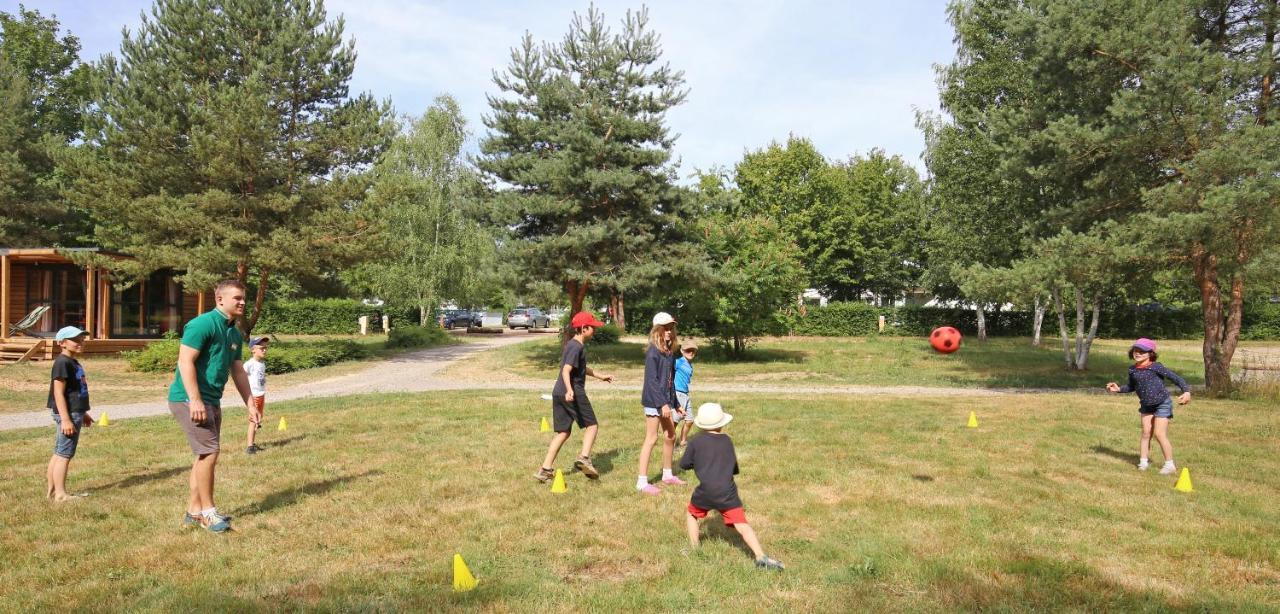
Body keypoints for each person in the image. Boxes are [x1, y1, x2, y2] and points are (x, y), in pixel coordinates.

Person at [169, 280, 256, 533]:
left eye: (243, 298)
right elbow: (185, 361)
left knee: (204, 456)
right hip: (188, 399)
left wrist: (250, 403)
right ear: (220, 300)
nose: (242, 302)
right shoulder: (202, 324)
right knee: (210, 453)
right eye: (237, 298)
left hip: (211, 399)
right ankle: (208, 512)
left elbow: (237, 369)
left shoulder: (234, 331)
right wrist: (194, 399)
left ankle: (194, 512)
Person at [680, 402, 784, 570]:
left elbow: (684, 464)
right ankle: (760, 556)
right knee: (742, 525)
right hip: (727, 492)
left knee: (692, 513)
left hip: (705, 491)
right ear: (721, 423)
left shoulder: (695, 442)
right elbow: (733, 467)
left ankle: (694, 548)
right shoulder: (727, 441)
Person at [535, 311, 614, 483]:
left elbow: (581, 369)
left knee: (563, 432)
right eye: (592, 327)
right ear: (584, 329)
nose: (594, 329)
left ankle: (545, 469)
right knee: (592, 426)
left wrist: (601, 376)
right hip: (572, 392)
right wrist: (570, 390)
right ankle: (584, 458)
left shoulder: (573, 345)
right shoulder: (576, 346)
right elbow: (566, 370)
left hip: (559, 392)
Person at [1105, 338, 1191, 474]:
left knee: (1159, 434)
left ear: (1150, 353)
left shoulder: (1156, 366)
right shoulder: (1133, 369)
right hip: (1146, 405)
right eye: (1135, 350)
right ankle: (1143, 463)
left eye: (1142, 351)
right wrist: (1119, 389)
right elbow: (1132, 387)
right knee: (1146, 433)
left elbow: (1176, 378)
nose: (1137, 353)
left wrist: (1186, 391)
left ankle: (1170, 465)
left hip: (1162, 403)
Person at [636, 311, 685, 495]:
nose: (669, 331)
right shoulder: (653, 353)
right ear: (658, 330)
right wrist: (662, 404)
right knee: (652, 438)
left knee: (671, 436)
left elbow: (669, 380)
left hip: (665, 401)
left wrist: (675, 403)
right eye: (666, 328)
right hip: (653, 400)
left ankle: (667, 475)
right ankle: (641, 482)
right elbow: (652, 381)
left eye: (671, 328)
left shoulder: (669, 352)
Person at [46, 326, 94, 502]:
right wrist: (66, 419)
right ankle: (60, 494)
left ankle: (52, 492)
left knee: (59, 453)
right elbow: (58, 393)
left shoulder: (72, 362)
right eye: (75, 340)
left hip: (75, 412)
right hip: (68, 415)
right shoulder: (62, 363)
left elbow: (74, 391)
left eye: (82, 339)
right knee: (65, 455)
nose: (80, 343)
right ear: (62, 343)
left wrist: (84, 412)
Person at [243, 336, 269, 455]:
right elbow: (241, 376)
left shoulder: (262, 363)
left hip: (261, 395)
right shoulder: (250, 364)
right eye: (261, 348)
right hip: (254, 396)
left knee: (257, 420)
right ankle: (249, 446)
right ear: (253, 350)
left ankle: (252, 443)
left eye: (266, 348)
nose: (264, 350)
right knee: (254, 421)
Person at [674, 343, 698, 448]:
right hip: (677, 393)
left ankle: (683, 441)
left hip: (685, 394)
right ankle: (671, 443)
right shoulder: (678, 362)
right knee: (675, 421)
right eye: (688, 350)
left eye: (693, 351)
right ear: (682, 351)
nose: (691, 352)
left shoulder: (690, 366)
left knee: (690, 420)